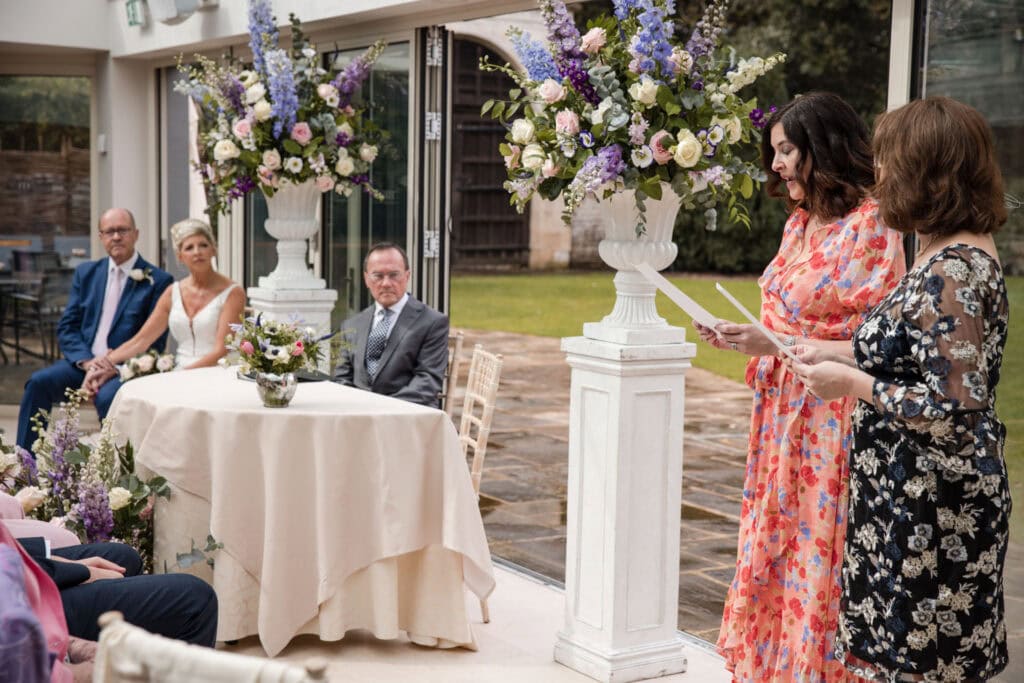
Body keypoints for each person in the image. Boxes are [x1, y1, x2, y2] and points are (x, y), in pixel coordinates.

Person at [791, 96, 1009, 682]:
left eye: (889, 161)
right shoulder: (941, 253)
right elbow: (919, 356)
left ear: (928, 171)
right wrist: (833, 350)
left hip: (934, 516)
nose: (879, 174)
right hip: (905, 502)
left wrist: (850, 383)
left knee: (922, 667)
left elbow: (953, 409)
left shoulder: (954, 271)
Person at [694, 92, 906, 681]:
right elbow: (782, 317)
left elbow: (884, 338)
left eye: (786, 150)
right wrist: (745, 335)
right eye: (775, 152)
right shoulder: (799, 223)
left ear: (824, 147)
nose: (777, 164)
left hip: (831, 416)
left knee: (819, 548)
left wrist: (777, 344)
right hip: (779, 418)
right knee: (777, 543)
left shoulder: (873, 224)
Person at [16, 209, 173, 457]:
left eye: (123, 230)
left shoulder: (159, 280)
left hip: (122, 369)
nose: (117, 237)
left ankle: (113, 477)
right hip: (83, 362)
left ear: (136, 234)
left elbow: (154, 341)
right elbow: (68, 326)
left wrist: (115, 367)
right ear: (101, 237)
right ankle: (24, 465)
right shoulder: (87, 273)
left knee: (108, 399)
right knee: (38, 383)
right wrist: (89, 363)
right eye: (110, 231)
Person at [81, 218, 244, 395]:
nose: (197, 252)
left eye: (203, 245)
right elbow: (141, 340)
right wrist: (103, 363)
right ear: (180, 257)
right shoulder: (172, 292)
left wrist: (176, 378)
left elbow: (221, 351)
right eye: (189, 247)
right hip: (178, 372)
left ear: (213, 250)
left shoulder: (233, 292)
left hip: (216, 373)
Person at [17, 535, 218, 648]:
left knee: (123, 557)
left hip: (11, 559)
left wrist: (56, 562)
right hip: (16, 602)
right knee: (194, 598)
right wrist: (81, 571)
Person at [334, 242, 449, 407]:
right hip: (358, 416)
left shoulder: (432, 322)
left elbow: (427, 381)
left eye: (394, 275)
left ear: (407, 276)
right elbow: (342, 379)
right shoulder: (352, 325)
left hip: (409, 416)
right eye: (378, 276)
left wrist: (382, 408)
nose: (386, 283)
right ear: (366, 278)